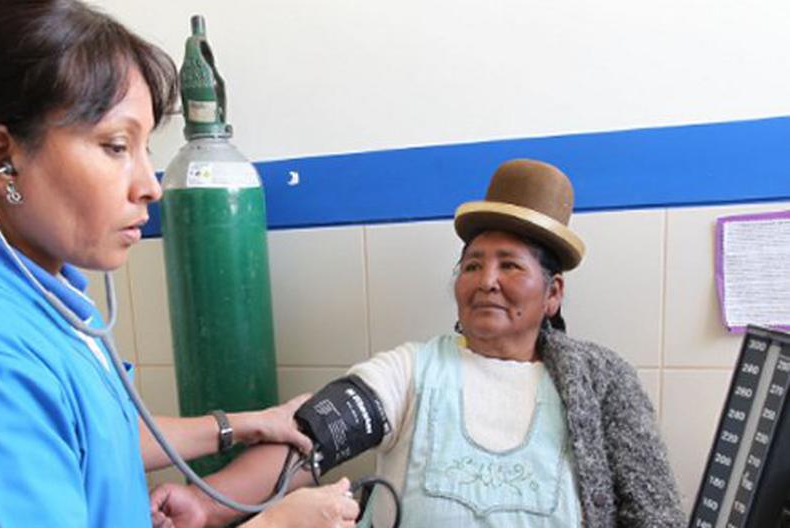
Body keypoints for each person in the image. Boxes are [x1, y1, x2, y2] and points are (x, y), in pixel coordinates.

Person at [0, 1, 359, 526]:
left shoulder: (30, 289)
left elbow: (91, 431)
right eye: (116, 145)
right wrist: (277, 524)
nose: (149, 186)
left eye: (146, 148)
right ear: (3, 158)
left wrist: (244, 425)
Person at [151, 159, 686, 527]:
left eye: (510, 266)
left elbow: (653, 511)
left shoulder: (601, 383)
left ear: (553, 293)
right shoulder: (410, 372)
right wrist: (206, 506)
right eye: (472, 264)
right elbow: (307, 441)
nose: (486, 280)